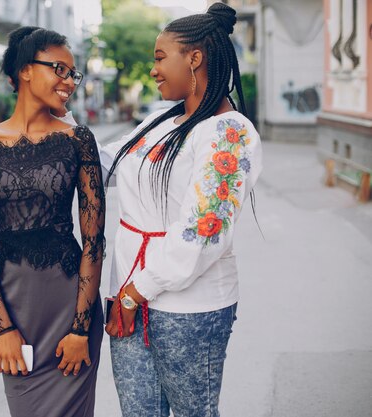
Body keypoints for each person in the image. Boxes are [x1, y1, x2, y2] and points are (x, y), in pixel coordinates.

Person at [101, 3, 263, 417]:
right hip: (129, 296)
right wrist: (51, 128)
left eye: (159, 58)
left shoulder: (229, 132)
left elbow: (203, 232)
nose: (153, 69)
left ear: (195, 58)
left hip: (188, 308)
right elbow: (104, 164)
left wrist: (138, 291)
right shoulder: (160, 121)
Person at [0, 26, 105, 417]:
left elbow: (94, 240)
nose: (68, 82)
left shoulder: (78, 140)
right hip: (15, 309)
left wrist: (80, 330)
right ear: (26, 70)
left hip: (71, 308)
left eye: (72, 74)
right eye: (59, 69)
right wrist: (1, 327)